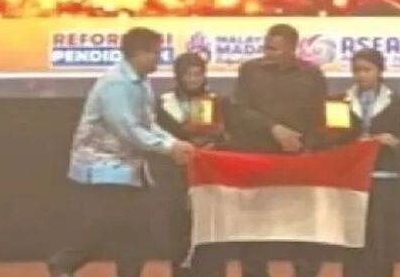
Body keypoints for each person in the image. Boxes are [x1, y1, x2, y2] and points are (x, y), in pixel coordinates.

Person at [47, 27, 196, 277]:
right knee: (106, 229)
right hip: (102, 168)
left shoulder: (142, 82)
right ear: (138, 54)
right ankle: (63, 263)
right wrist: (169, 149)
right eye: (155, 53)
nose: (159, 59)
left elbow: (148, 123)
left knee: (134, 232)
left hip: (128, 169)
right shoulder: (116, 84)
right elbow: (128, 129)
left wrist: (176, 143)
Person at [230, 23, 329, 277]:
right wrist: (273, 128)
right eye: (266, 47)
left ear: (292, 49)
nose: (268, 53)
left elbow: (321, 116)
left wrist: (306, 146)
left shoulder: (312, 75)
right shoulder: (250, 70)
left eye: (274, 49)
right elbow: (240, 110)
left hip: (298, 159)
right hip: (257, 157)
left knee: (303, 224)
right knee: (255, 224)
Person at [156, 52, 229, 277]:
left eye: (198, 74)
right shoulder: (164, 103)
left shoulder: (217, 101)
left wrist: (216, 142)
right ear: (178, 76)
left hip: (209, 175)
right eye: (188, 74)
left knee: (211, 228)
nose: (193, 79)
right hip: (176, 175)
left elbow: (230, 137)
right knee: (180, 228)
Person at [339, 49, 400, 277]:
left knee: (383, 235)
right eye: (356, 70)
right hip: (352, 178)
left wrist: (394, 141)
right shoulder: (339, 102)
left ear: (380, 71)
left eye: (367, 70)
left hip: (385, 175)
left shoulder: (398, 102)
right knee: (353, 235)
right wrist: (353, 142)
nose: (361, 75)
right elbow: (330, 137)